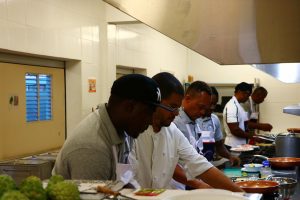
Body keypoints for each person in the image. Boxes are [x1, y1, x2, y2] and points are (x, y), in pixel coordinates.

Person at [129, 74, 243, 192]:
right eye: (173, 107)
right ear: (156, 101)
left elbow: (199, 164)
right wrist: (199, 184)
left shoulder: (172, 131)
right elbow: (126, 181)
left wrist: (241, 194)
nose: (176, 113)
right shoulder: (133, 132)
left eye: (177, 108)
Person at [53, 74, 163, 180]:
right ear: (129, 107)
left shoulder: (125, 130)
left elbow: (124, 180)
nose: (150, 121)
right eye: (148, 113)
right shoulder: (92, 148)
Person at [196, 86, 240, 165]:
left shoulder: (214, 120)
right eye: (210, 104)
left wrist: (230, 157)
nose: (213, 107)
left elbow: (219, 146)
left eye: (215, 104)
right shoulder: (193, 119)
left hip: (208, 167)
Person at [223, 82, 253, 148]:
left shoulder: (238, 105)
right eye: (247, 95)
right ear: (239, 92)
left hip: (239, 146)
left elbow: (244, 124)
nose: (247, 97)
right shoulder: (232, 106)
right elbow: (235, 130)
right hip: (233, 146)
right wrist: (251, 136)